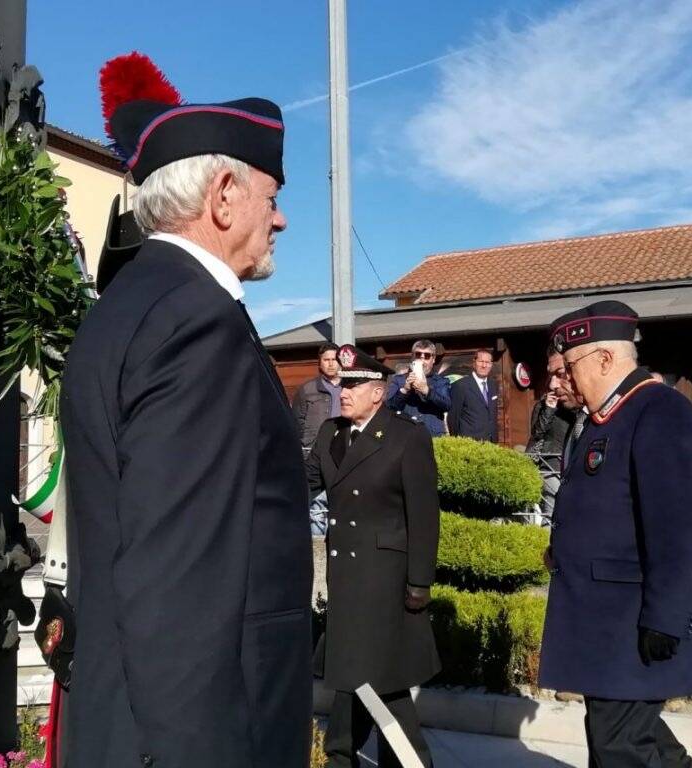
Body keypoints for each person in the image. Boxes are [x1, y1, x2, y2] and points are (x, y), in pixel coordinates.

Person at [59, 54, 312, 767]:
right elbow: (179, 582)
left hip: (128, 717)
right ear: (225, 194)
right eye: (271, 195)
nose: (281, 218)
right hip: (200, 733)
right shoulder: (198, 325)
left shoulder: (129, 305)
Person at [539, 301, 692, 768]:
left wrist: (667, 615)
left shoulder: (658, 410)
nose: (561, 382)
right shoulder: (601, 419)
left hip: (633, 618)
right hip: (603, 620)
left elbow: (676, 526)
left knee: (620, 749)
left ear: (606, 359)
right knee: (638, 742)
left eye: (568, 368)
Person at [306, 345, 441, 768]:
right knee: (353, 677)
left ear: (378, 393)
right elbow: (302, 483)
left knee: (381, 682)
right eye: (341, 383)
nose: (343, 391)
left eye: (353, 385)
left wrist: (420, 581)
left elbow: (423, 514)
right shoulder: (331, 433)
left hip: (385, 579)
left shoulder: (406, 435)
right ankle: (341, 756)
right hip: (346, 577)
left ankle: (404, 762)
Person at [528, 348, 579, 518]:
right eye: (552, 377)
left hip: (571, 463)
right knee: (552, 512)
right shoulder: (542, 405)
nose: (554, 384)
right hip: (551, 464)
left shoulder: (575, 406)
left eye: (560, 374)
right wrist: (549, 409)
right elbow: (537, 432)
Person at [386, 339, 451, 436]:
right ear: (412, 357)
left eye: (427, 356)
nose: (422, 360)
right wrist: (405, 390)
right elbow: (389, 407)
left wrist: (427, 391)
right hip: (405, 434)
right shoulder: (399, 380)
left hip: (432, 434)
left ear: (433, 360)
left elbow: (446, 405)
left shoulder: (441, 381)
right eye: (418, 355)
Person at [293, 342, 342, 449]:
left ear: (340, 362)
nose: (330, 364)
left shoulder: (349, 387)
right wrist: (306, 440)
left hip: (342, 444)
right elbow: (297, 420)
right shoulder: (307, 389)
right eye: (326, 360)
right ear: (320, 363)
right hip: (314, 447)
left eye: (334, 360)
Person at [447, 349, 499, 441]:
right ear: (474, 363)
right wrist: (458, 441)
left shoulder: (493, 385)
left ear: (491, 365)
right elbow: (453, 417)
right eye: (481, 361)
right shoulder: (461, 385)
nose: (484, 365)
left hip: (491, 443)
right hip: (469, 443)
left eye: (487, 362)